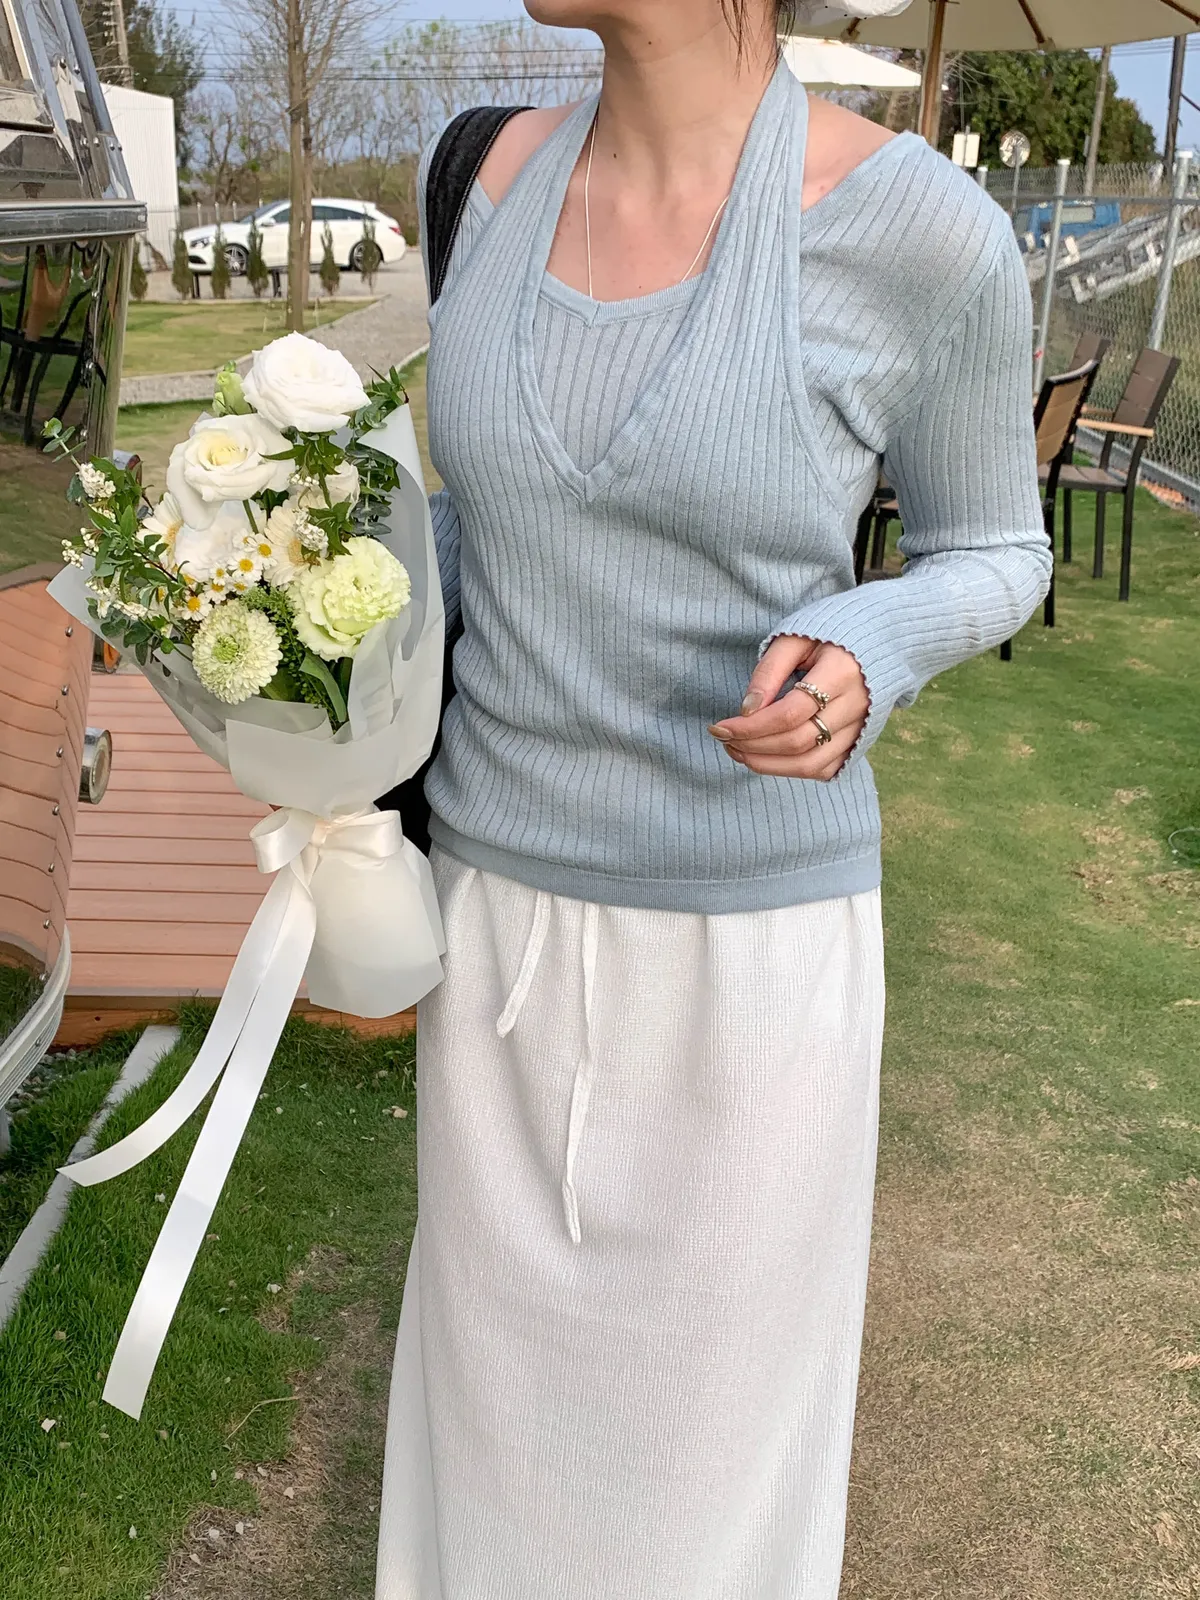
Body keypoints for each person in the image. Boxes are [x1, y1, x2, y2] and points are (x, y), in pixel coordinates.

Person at [375, 3, 1049, 1596]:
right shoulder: (478, 177)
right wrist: (302, 622)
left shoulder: (924, 233)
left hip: (749, 969)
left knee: (709, 1473)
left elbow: (995, 548)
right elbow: (491, 535)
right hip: (494, 937)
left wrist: (873, 646)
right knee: (493, 1432)